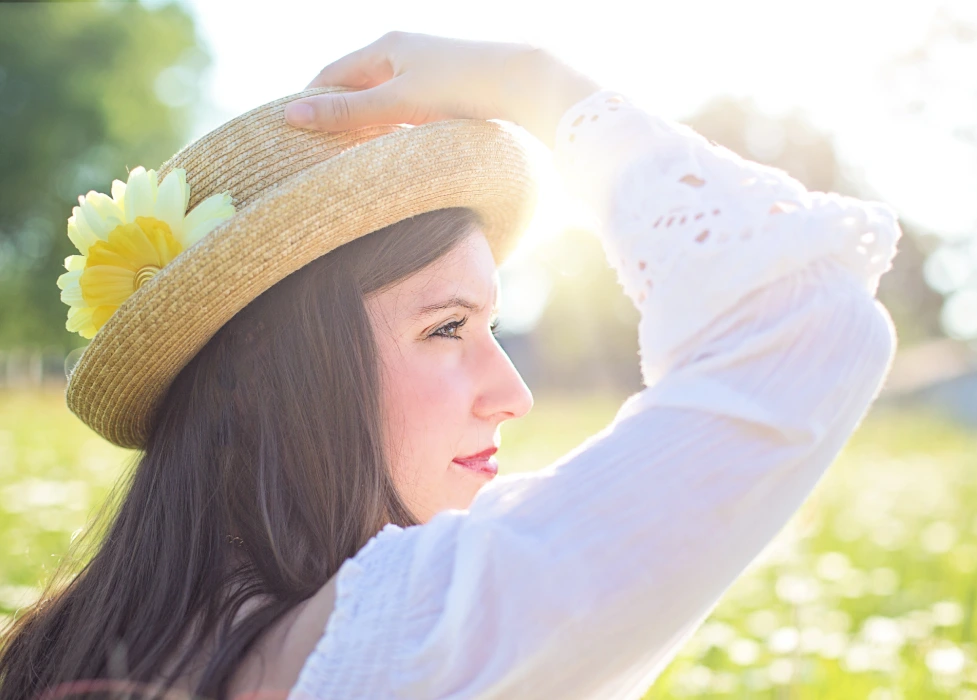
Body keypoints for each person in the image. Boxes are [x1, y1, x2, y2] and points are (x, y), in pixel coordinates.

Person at [0, 32, 901, 700]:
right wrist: (534, 84)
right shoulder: (407, 642)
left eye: (492, 326)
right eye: (446, 328)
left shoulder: (60, 649)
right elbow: (814, 327)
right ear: (263, 371)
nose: (513, 393)